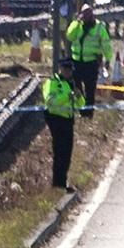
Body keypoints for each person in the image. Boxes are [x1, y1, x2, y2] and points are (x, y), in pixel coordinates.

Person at [42, 59, 86, 192]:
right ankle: (57, 183)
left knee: (67, 152)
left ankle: (62, 181)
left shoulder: (72, 83)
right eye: (65, 69)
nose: (67, 72)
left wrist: (78, 97)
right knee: (59, 151)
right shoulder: (53, 83)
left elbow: (81, 105)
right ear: (60, 68)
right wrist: (67, 96)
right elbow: (50, 101)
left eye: (70, 70)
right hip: (55, 119)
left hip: (68, 119)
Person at [66, 4, 112, 119]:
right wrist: (77, 22)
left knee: (90, 89)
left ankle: (88, 114)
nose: (87, 17)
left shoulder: (99, 27)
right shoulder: (77, 26)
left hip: (91, 63)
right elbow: (69, 36)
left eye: (89, 14)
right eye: (85, 14)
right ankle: (82, 111)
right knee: (77, 88)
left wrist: (108, 59)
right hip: (77, 62)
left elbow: (106, 43)